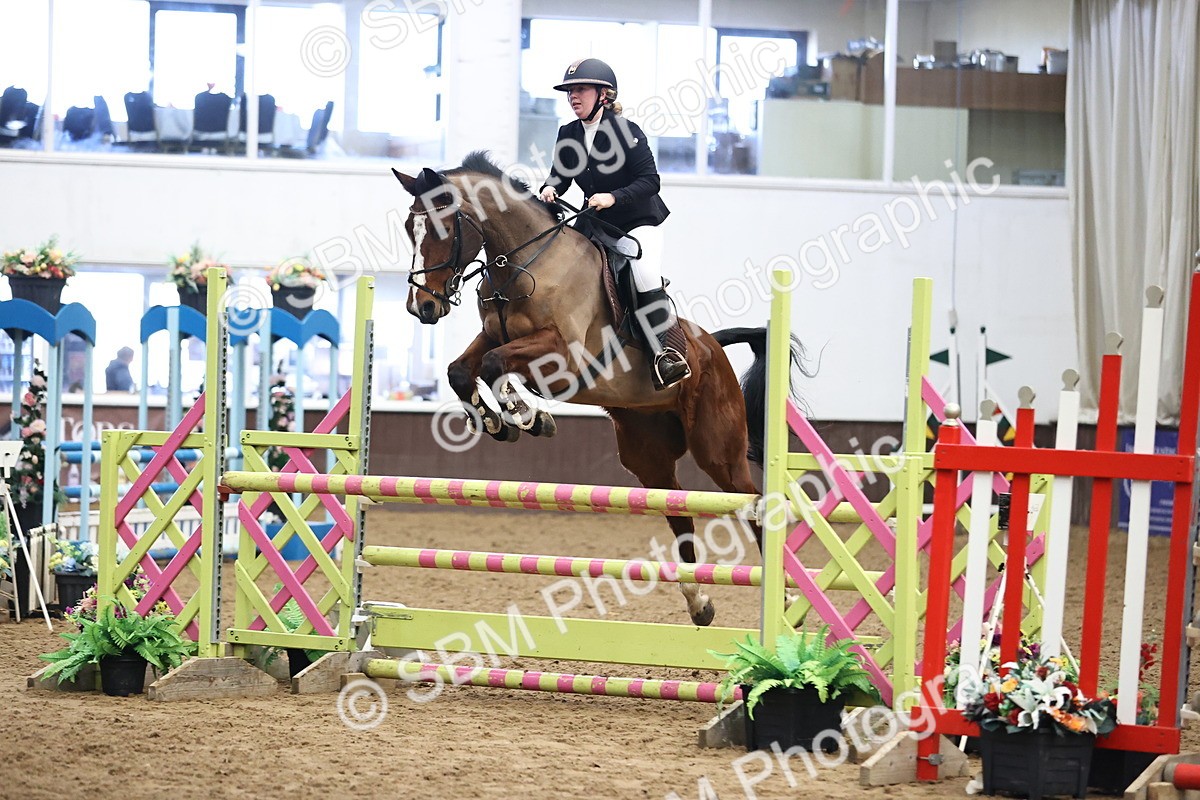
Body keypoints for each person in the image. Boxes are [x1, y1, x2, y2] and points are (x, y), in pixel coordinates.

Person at [538, 58, 690, 391]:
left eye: (580, 90)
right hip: (596, 224)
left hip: (637, 222)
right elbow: (560, 175)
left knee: (644, 273)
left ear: (603, 95)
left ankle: (663, 354)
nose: (573, 97)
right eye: (569, 92)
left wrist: (614, 197)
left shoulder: (627, 132)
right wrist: (549, 187)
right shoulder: (568, 133)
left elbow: (650, 181)